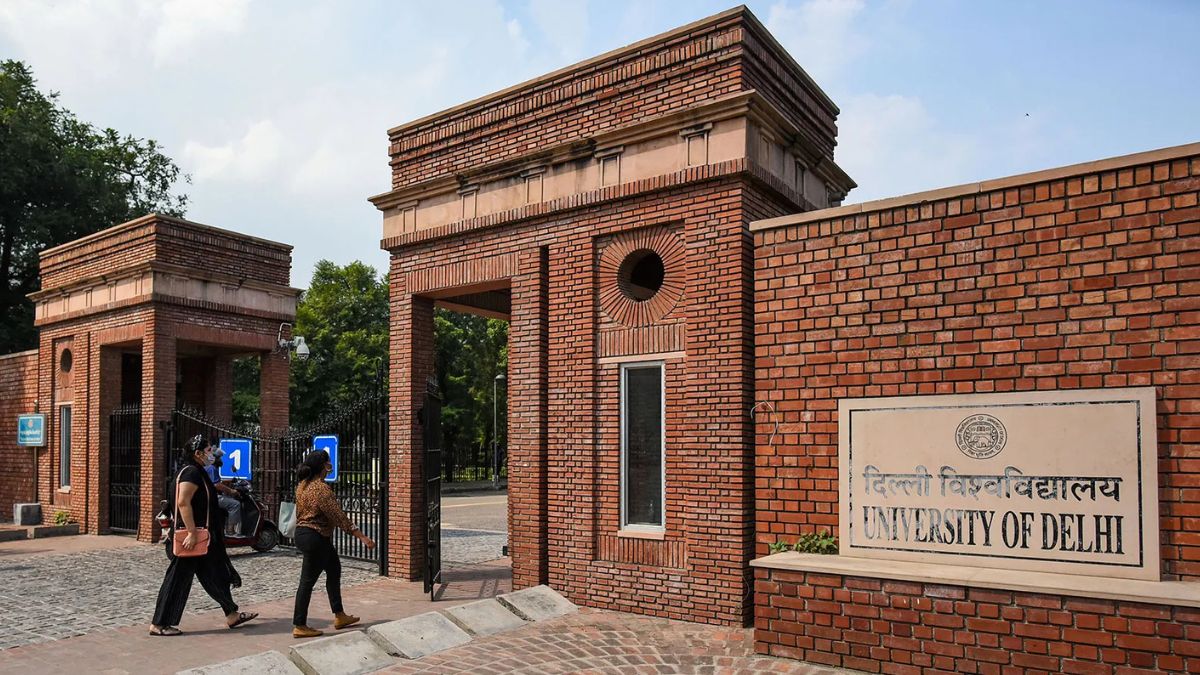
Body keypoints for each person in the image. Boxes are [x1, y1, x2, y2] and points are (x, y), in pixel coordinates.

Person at [149, 435, 258, 636]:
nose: (211, 453)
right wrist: (191, 532)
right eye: (208, 450)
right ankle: (160, 624)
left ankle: (232, 614)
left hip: (204, 537)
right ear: (197, 453)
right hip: (192, 538)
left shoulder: (197, 471)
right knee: (177, 580)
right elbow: (183, 502)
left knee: (215, 574)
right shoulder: (191, 472)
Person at [291, 450, 375, 639]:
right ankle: (299, 624)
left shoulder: (302, 485)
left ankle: (339, 614)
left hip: (306, 534)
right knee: (307, 582)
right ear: (323, 466)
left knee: (334, 569)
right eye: (328, 462)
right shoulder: (321, 489)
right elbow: (338, 516)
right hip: (315, 537)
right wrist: (362, 537)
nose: (331, 465)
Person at [204, 445, 243, 536]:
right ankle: (230, 531)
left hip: (210, 495)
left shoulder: (209, 467)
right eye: (219, 458)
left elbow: (216, 481)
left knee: (228, 499)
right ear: (214, 458)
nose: (220, 460)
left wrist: (230, 480)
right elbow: (217, 485)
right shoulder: (212, 468)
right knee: (235, 504)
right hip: (213, 496)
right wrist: (231, 491)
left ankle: (225, 526)